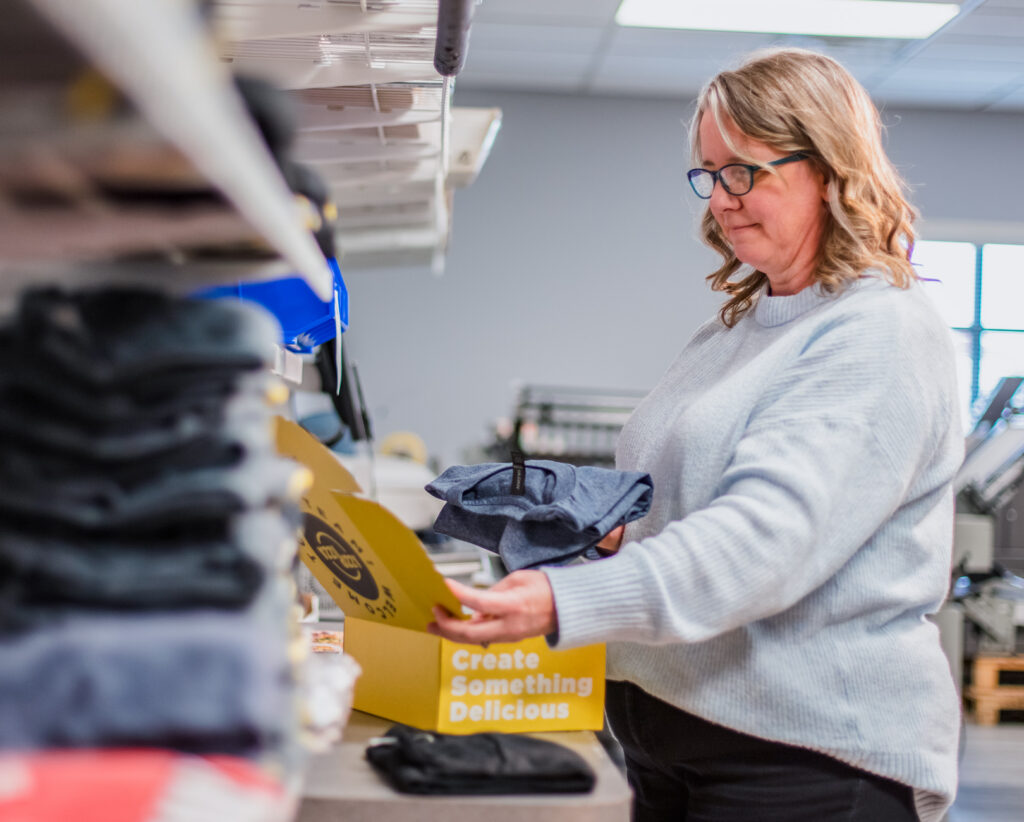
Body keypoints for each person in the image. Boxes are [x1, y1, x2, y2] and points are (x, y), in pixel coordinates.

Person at [428, 48, 963, 822]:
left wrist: (560, 599)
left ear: (828, 166)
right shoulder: (741, 327)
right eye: (709, 175)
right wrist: (594, 531)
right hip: (672, 734)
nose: (722, 199)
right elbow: (685, 510)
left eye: (744, 171)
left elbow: (760, 549)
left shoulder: (877, 332)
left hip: (805, 759)